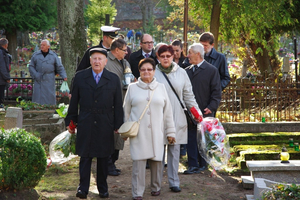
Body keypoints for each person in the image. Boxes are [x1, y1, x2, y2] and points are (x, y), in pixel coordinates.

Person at [65, 48, 123, 199]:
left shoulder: (113, 78)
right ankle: (82, 188)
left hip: (105, 122)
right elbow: (74, 103)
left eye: (100, 59)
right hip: (86, 120)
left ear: (105, 61)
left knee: (104, 157)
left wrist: (118, 124)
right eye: (94, 59)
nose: (97, 61)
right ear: (90, 61)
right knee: (85, 156)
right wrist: (71, 121)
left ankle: (102, 188)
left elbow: (118, 105)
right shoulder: (80, 77)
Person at [123, 58, 176, 200]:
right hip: (139, 133)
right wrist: (124, 130)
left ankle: (156, 187)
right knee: (138, 164)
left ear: (154, 71)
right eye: (143, 69)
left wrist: (171, 132)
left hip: (157, 131)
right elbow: (125, 111)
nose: (146, 72)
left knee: (157, 162)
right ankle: (137, 192)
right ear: (139, 71)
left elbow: (168, 112)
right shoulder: (132, 88)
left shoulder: (161, 87)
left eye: (149, 69)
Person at [154, 45, 201, 191]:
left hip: (177, 116)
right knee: (158, 152)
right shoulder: (153, 72)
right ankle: (157, 183)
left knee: (174, 151)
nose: (166, 58)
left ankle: (174, 182)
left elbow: (188, 96)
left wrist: (197, 114)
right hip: (157, 117)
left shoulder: (181, 73)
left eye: (169, 56)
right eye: (163, 56)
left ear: (174, 56)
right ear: (158, 57)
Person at [184, 43, 221, 174]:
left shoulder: (211, 70)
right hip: (189, 113)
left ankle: (203, 163)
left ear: (197, 54)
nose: (187, 56)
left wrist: (211, 107)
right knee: (190, 138)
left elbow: (216, 92)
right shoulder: (186, 71)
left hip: (205, 112)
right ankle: (192, 164)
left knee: (203, 139)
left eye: (189, 53)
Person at [105, 38, 132, 176]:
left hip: (123, 103)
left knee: (119, 135)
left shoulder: (125, 62)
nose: (126, 52)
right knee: (110, 135)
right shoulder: (106, 61)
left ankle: (113, 162)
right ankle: (108, 164)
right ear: (116, 50)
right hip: (109, 105)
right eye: (124, 50)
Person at [29, 39, 67, 105]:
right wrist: (35, 75)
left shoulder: (53, 55)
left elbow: (59, 66)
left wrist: (64, 76)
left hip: (49, 79)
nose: (42, 46)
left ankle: (50, 109)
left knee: (49, 96)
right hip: (39, 79)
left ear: (48, 46)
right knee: (38, 97)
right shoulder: (36, 55)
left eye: (44, 45)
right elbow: (31, 66)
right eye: (41, 45)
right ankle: (37, 109)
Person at [0, 38, 10, 108]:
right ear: (6, 45)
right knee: (1, 95)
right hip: (1, 79)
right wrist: (7, 77)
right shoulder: (2, 53)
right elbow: (2, 66)